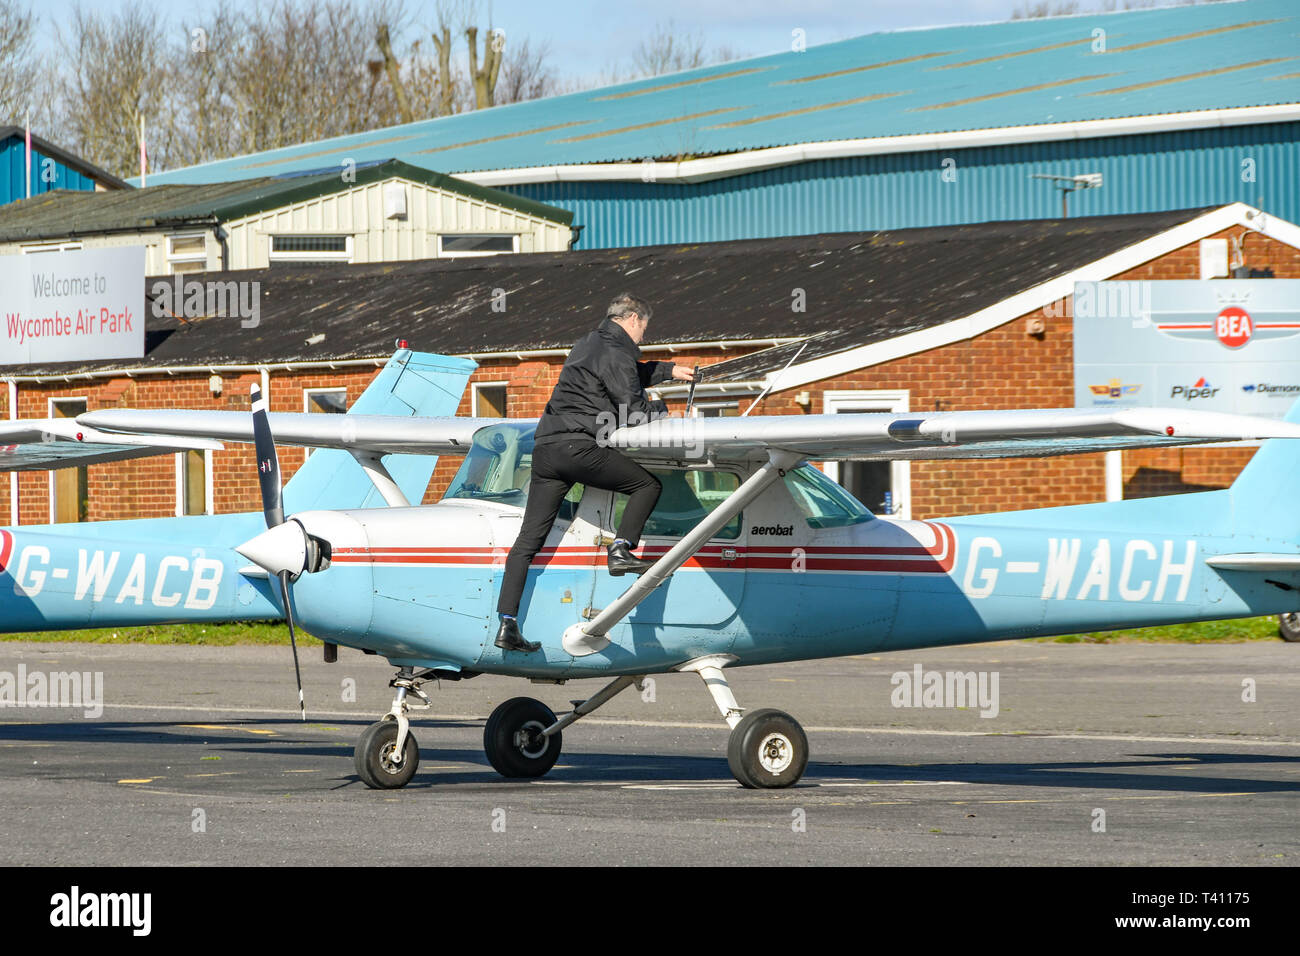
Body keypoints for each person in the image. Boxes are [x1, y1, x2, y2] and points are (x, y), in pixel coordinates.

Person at [495, 293, 698, 653]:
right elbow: (633, 408)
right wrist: (663, 412)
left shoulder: (588, 343)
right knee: (646, 485)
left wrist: (668, 371)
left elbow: (625, 373)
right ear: (633, 319)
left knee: (527, 543)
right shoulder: (620, 352)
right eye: (644, 329)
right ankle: (621, 548)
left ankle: (507, 624)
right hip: (579, 448)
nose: (642, 337)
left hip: (545, 450)